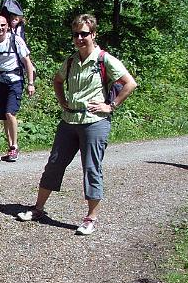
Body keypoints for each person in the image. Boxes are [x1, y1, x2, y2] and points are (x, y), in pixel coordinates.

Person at [16, 13, 136, 235]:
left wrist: (110, 106)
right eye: (76, 34)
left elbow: (129, 83)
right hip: (69, 120)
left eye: (84, 34)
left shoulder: (104, 59)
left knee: (91, 168)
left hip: (94, 122)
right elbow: (57, 80)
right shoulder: (71, 61)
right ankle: (38, 209)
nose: (79, 38)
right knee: (54, 164)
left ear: (93, 34)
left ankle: (91, 218)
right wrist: (62, 101)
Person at [0, 14, 35, 162]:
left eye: (3, 25)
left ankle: (14, 146)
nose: (0, 28)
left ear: (7, 26)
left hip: (14, 81)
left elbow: (27, 62)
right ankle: (10, 147)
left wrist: (30, 83)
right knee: (2, 117)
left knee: (9, 113)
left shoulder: (15, 40)